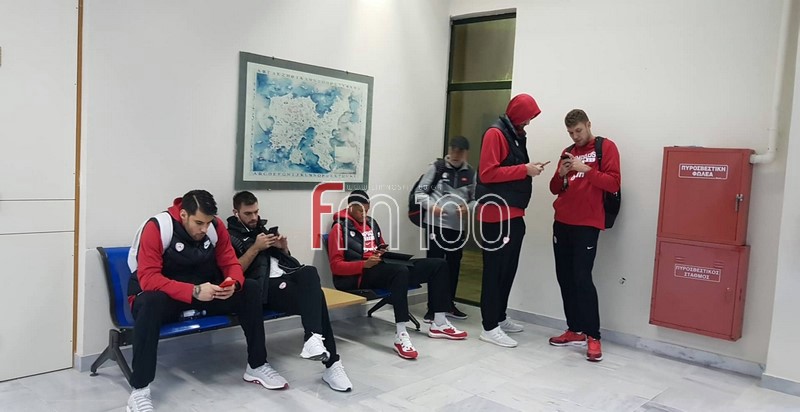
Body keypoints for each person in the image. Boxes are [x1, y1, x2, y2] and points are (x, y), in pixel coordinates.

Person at [125, 190, 287, 412]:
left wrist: (232, 283)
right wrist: (193, 291)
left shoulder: (215, 227)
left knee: (249, 288)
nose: (204, 229)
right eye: (199, 223)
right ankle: (139, 389)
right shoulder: (157, 228)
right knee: (150, 302)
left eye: (208, 223)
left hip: (202, 293)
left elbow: (231, 264)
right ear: (183, 214)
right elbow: (149, 279)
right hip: (165, 297)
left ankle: (257, 365)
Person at [226, 190, 352, 391]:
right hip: (265, 288)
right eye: (248, 213)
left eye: (256, 212)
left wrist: (283, 249)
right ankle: (331, 363)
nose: (254, 217)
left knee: (309, 271)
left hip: (286, 276)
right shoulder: (229, 237)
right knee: (318, 298)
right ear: (236, 212)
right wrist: (255, 248)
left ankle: (313, 339)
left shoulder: (262, 229)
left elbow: (281, 261)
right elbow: (234, 271)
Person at [327, 190, 468, 360]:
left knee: (438, 265)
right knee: (400, 271)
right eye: (360, 211)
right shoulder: (339, 228)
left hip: (382, 267)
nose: (364, 215)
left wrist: (382, 253)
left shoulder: (371, 223)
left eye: (367, 210)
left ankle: (439, 323)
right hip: (361, 275)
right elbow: (336, 267)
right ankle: (401, 334)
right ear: (350, 208)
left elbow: (379, 247)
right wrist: (364, 264)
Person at [475, 93, 547, 348]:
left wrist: (527, 169)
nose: (528, 122)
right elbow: (487, 173)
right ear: (518, 114)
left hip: (514, 213)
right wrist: (525, 169)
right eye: (527, 117)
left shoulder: (514, 134)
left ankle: (499, 316)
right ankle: (489, 327)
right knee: (495, 272)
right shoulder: (495, 134)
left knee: (508, 270)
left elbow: (508, 169)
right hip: (496, 216)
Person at [548, 109, 621, 362]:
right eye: (570, 132)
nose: (575, 136)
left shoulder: (605, 147)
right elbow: (554, 189)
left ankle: (593, 336)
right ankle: (575, 329)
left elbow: (613, 183)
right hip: (562, 223)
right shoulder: (567, 151)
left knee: (582, 278)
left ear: (588, 125)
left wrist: (586, 169)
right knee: (565, 277)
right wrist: (561, 174)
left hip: (587, 224)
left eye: (578, 130)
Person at [414, 135, 476, 321]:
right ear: (449, 150)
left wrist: (468, 208)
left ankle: (448, 304)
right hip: (435, 225)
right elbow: (419, 193)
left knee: (453, 266)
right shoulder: (437, 168)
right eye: (453, 150)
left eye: (460, 151)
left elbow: (476, 199)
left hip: (457, 228)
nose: (456, 154)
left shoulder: (470, 173)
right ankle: (433, 308)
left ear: (466, 153)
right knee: (435, 265)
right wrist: (432, 207)